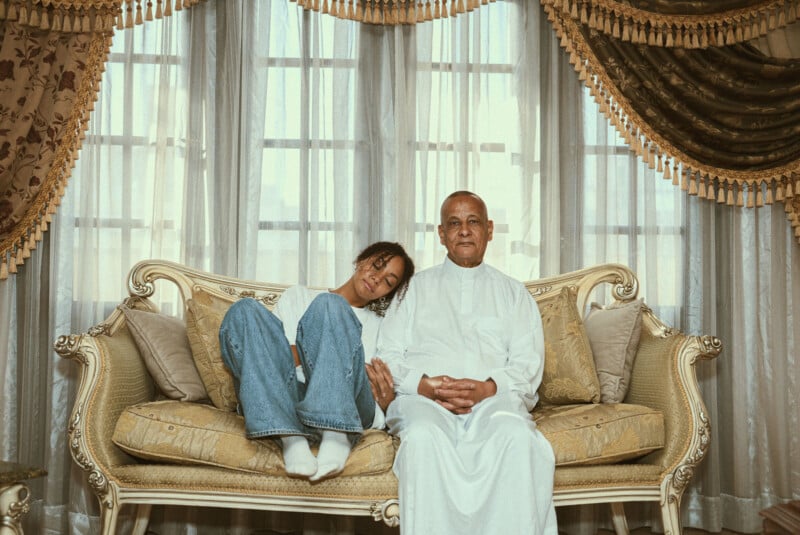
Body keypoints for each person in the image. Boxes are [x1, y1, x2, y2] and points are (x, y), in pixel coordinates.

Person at [375, 191, 558, 534]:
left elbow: (527, 365)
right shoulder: (412, 289)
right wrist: (425, 385)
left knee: (515, 435)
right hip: (424, 402)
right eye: (454, 223)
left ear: (489, 230)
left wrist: (487, 389)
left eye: (473, 222)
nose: (464, 231)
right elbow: (387, 355)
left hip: (493, 402)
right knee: (424, 438)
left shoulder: (513, 293)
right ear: (441, 233)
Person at [218, 241, 414, 482]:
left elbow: (375, 386)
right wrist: (334, 353)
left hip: (349, 407)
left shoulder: (381, 325)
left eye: (388, 281)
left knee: (331, 305)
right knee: (243, 310)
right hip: (290, 398)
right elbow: (269, 360)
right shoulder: (298, 296)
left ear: (389, 293)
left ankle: (335, 435)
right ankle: (292, 440)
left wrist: (383, 398)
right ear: (361, 260)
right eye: (377, 265)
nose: (376, 278)